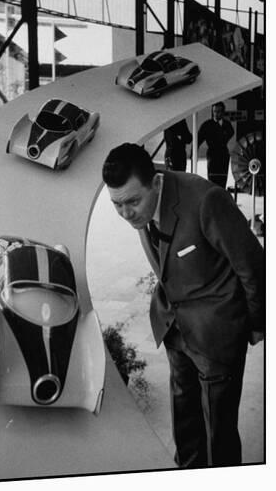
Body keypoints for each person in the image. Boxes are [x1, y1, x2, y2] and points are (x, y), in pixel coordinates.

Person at [102, 142, 264, 469]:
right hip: (175, 329)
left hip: (216, 336)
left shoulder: (207, 201)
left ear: (157, 182)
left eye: (132, 202)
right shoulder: (140, 205)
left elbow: (253, 266)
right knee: (185, 425)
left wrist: (257, 323)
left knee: (218, 433)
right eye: (116, 205)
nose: (126, 213)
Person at [198, 101, 234, 188]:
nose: (216, 114)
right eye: (214, 111)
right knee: (212, 181)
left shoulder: (227, 125)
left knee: (222, 180)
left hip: (223, 155)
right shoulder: (207, 125)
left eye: (218, 112)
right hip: (212, 155)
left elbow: (231, 133)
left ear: (222, 112)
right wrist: (193, 152)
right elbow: (198, 139)